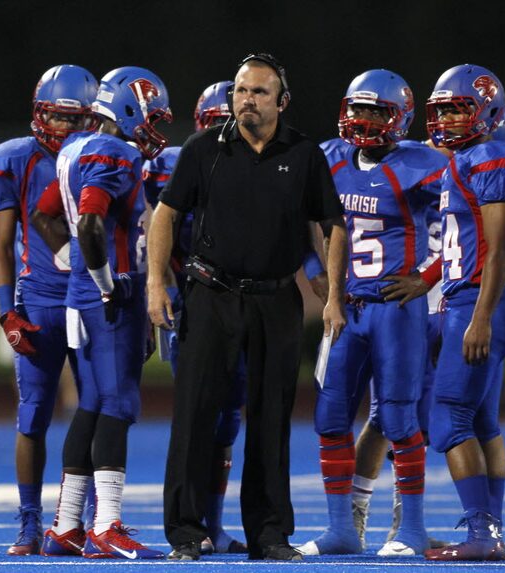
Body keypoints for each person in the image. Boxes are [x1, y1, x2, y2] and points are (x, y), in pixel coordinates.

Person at [147, 53, 347, 562]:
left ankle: (269, 534)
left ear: (281, 101)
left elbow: (331, 223)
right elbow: (165, 215)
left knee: (271, 417)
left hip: (276, 298)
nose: (246, 100)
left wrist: (334, 294)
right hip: (209, 294)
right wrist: (155, 283)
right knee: (193, 415)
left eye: (258, 92)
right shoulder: (201, 149)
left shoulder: (304, 153)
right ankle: (187, 534)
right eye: (240, 90)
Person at [297, 69, 448, 558]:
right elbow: (303, 216)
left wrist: (427, 277)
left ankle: (412, 529)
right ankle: (343, 529)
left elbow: (466, 225)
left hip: (395, 309)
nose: (362, 120)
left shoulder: (423, 164)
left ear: (399, 117)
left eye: (375, 111)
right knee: (330, 416)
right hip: (347, 309)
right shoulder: (330, 157)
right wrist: (314, 270)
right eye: (357, 108)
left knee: (400, 419)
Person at [350, 110, 505, 549]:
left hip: (459, 304)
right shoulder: (427, 166)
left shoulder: (484, 172)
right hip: (425, 304)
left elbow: (492, 250)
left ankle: (427, 528)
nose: (441, 137)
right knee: (391, 416)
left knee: (456, 421)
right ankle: (362, 522)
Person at [32, 66, 171, 559]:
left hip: (79, 296)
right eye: (152, 114)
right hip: (105, 299)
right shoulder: (118, 153)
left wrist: (72, 262)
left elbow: (44, 214)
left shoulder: (73, 149)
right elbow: (91, 223)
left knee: (91, 406)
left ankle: (66, 526)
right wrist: (110, 284)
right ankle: (106, 526)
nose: (156, 126)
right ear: (130, 109)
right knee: (118, 405)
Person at [0, 64, 97, 556]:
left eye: (73, 119)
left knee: (97, 413)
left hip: (90, 301)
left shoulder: (103, 157)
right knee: (33, 418)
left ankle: (92, 522)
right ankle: (29, 522)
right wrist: (7, 311)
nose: (63, 128)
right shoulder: (14, 161)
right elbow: (1, 245)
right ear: (38, 113)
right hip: (41, 301)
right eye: (55, 116)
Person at [421, 64, 505, 562]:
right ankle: (491, 531)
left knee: (447, 418)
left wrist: (480, 315)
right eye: (441, 110)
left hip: (481, 301)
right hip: (473, 299)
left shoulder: (494, 156)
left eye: (457, 109)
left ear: (488, 111)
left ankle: (483, 535)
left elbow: (499, 245)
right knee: (483, 421)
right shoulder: (465, 159)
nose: (446, 119)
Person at [141, 80, 248, 555]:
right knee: (196, 415)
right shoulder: (172, 166)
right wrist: (158, 284)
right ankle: (190, 523)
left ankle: (215, 523)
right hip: (193, 302)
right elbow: (158, 223)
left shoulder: (267, 166)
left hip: (247, 303)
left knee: (229, 420)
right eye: (213, 124)